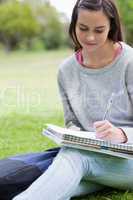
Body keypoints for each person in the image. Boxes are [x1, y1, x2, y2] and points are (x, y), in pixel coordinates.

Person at [13, 0, 133, 200]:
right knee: (67, 174)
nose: (90, 37)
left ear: (111, 27)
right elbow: (72, 122)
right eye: (83, 28)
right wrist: (74, 135)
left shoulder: (130, 62)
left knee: (73, 158)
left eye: (99, 30)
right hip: (92, 157)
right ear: (73, 25)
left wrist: (120, 134)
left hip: (127, 161)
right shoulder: (66, 70)